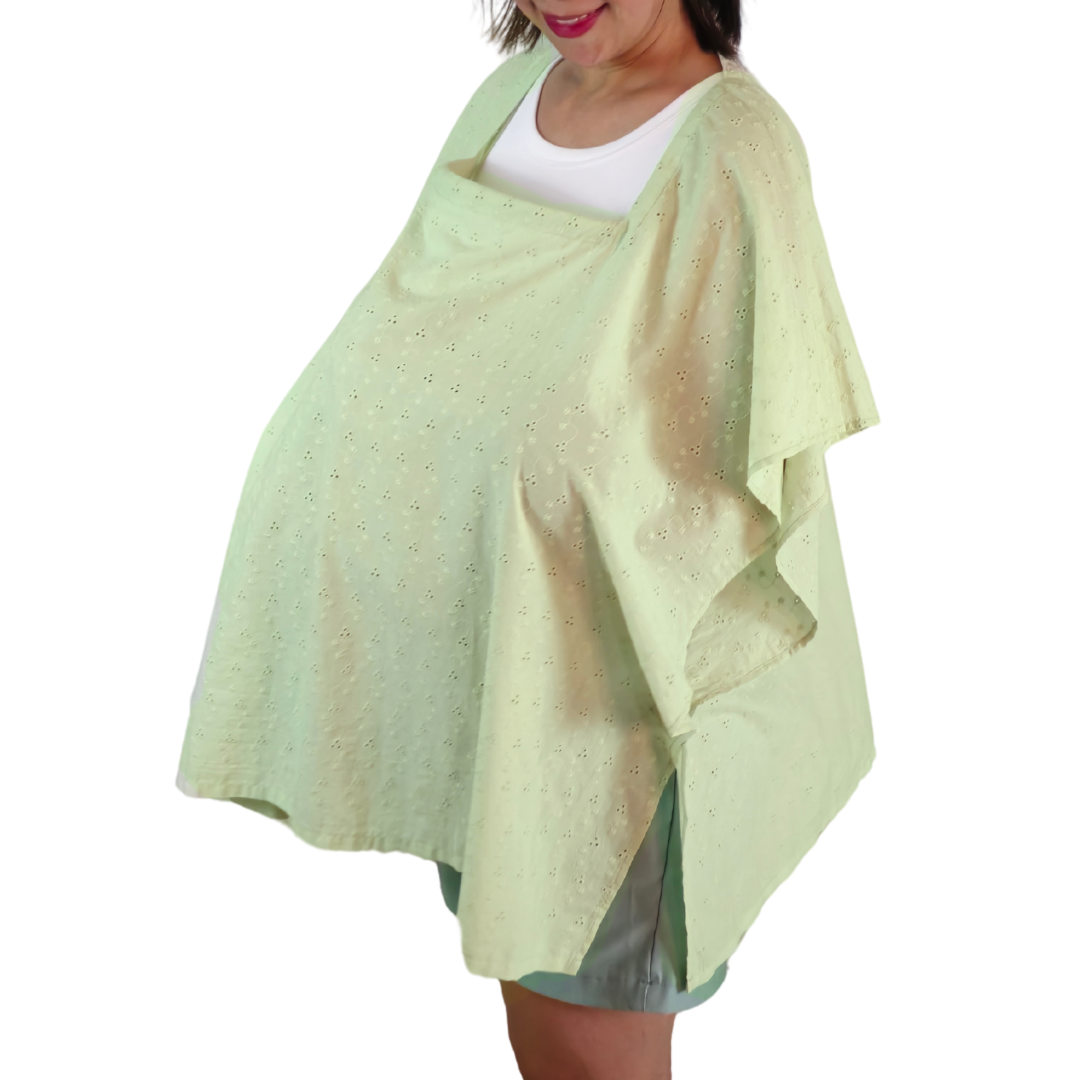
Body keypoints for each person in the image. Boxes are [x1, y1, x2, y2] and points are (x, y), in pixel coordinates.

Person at [176, 2, 880, 1078]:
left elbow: (732, 480)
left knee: (586, 1053)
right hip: (505, 690)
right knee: (540, 1038)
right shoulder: (510, 99)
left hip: (619, 727)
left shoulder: (735, 149)